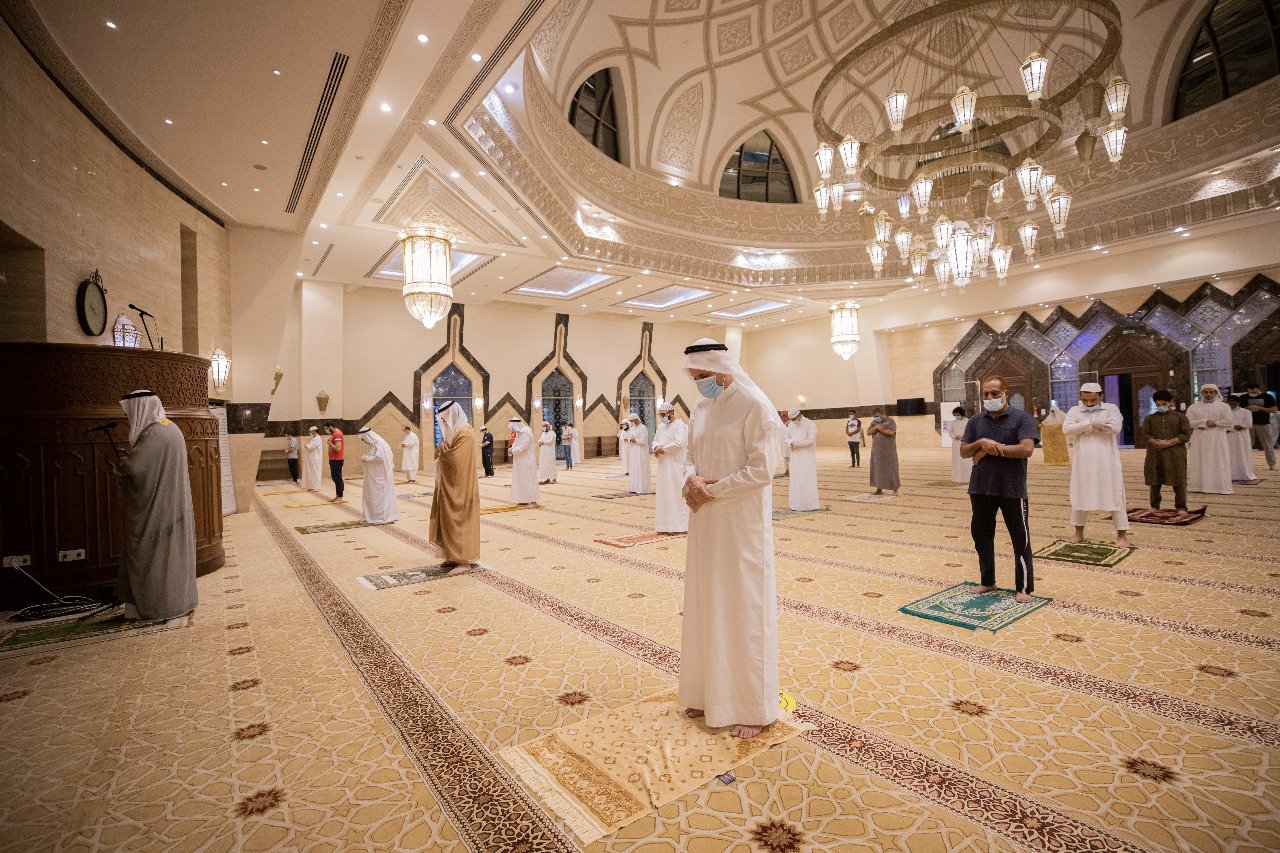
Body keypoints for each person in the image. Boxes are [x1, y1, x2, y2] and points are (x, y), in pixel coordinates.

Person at [679, 339, 786, 740]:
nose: (699, 383)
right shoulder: (701, 407)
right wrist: (691, 478)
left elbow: (763, 470)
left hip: (741, 523)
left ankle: (753, 707)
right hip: (705, 520)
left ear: (722, 369)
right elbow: (690, 455)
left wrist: (713, 489)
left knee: (743, 606)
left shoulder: (755, 406)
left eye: (703, 375)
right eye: (694, 377)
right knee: (706, 601)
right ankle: (706, 693)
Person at [116, 390, 198, 621]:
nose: (129, 419)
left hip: (157, 511)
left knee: (155, 560)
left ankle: (157, 605)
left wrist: (122, 464)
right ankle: (178, 600)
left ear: (140, 408)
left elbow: (135, 468)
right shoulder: (171, 428)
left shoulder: (154, 433)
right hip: (172, 508)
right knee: (172, 559)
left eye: (129, 414)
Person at [960, 377, 1039, 603]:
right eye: (986, 394)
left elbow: (1026, 449)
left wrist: (991, 449)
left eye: (994, 394)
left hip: (1011, 488)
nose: (990, 398)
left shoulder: (1022, 418)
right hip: (980, 488)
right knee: (981, 536)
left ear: (1006, 393)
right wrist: (980, 443)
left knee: (1020, 538)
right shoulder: (975, 421)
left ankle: (1023, 587)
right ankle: (987, 581)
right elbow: (964, 451)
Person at [1062, 382, 1129, 548]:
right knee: (1080, 495)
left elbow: (1115, 428)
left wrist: (1084, 427)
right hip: (1083, 461)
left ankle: (1122, 536)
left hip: (1108, 461)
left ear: (1101, 397)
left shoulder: (1111, 409)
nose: (1089, 404)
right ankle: (1078, 533)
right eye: (1085, 400)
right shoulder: (1074, 411)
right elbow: (1067, 429)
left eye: (1093, 400)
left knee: (1115, 494)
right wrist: (1090, 424)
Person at [429, 402, 481, 574]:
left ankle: (463, 561)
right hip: (450, 486)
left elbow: (456, 459)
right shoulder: (455, 432)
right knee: (448, 519)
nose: (444, 423)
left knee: (459, 519)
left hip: (461, 487)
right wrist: (441, 448)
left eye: (445, 419)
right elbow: (442, 451)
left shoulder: (465, 432)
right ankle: (453, 555)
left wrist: (443, 451)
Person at [1139, 390, 1191, 510]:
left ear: (1170, 403)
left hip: (1175, 454)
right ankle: (1154, 506)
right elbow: (1145, 435)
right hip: (1155, 454)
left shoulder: (1181, 417)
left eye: (1164, 404)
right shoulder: (1149, 418)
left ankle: (1181, 507)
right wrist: (1156, 442)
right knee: (1155, 480)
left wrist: (1169, 443)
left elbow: (1186, 435)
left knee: (1179, 479)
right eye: (1158, 404)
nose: (1161, 406)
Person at [1186, 384, 1233, 494]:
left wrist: (1215, 423)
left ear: (1216, 393)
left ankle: (1219, 487)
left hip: (1217, 438)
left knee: (1218, 460)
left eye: (1211, 392)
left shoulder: (1224, 407)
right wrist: (1204, 422)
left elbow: (1229, 422)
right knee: (1199, 460)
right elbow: (1188, 422)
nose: (1208, 394)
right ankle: (1198, 487)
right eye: (1206, 392)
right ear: (1201, 393)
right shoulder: (1193, 407)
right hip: (1199, 439)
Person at [652, 402, 690, 533]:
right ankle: (664, 526)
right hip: (663, 466)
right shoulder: (660, 427)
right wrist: (656, 447)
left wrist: (662, 449)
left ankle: (679, 526)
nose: (662, 417)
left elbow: (679, 443)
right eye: (660, 415)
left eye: (663, 414)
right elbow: (655, 440)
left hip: (675, 466)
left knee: (676, 495)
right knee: (664, 495)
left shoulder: (681, 425)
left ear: (671, 413)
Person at [356, 427, 398, 525]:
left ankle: (381, 517)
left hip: (380, 477)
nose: (363, 440)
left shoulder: (380, 444)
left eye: (363, 438)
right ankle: (372, 516)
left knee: (379, 496)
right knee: (371, 496)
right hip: (373, 476)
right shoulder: (373, 444)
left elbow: (379, 458)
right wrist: (366, 457)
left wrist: (366, 458)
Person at [785, 408, 819, 511]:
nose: (793, 421)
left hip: (807, 457)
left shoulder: (810, 424)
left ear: (799, 415)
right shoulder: (791, 425)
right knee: (796, 479)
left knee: (807, 479)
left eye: (794, 419)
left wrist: (799, 444)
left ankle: (809, 504)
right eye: (791, 419)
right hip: (795, 457)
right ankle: (796, 504)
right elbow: (786, 437)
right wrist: (791, 442)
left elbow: (811, 439)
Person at [1240, 381, 1277, 471]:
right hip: (1248, 424)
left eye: (1254, 390)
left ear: (1258, 389)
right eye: (1250, 390)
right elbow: (1238, 410)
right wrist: (1248, 409)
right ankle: (1246, 465)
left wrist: (1260, 408)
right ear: (1247, 389)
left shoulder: (1267, 397)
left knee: (1267, 445)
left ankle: (1272, 464)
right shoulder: (1243, 397)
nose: (1252, 392)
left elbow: (1274, 410)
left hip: (1263, 423)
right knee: (1247, 445)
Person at [865, 408, 900, 495]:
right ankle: (879, 489)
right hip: (877, 451)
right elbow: (868, 432)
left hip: (888, 450)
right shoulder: (874, 422)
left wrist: (882, 430)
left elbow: (892, 433)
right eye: (874, 416)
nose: (876, 418)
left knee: (891, 469)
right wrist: (876, 427)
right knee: (877, 470)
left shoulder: (890, 421)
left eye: (877, 416)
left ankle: (895, 490)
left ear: (882, 414)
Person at [1228, 395, 1258, 483]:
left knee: (1243, 454)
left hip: (1242, 437)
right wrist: (1234, 426)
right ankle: (1230, 475)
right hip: (1228, 437)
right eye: (1230, 401)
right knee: (1229, 455)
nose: (1232, 403)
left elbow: (1249, 424)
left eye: (1234, 401)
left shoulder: (1246, 412)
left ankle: (1244, 474)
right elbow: (1223, 424)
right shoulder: (1224, 412)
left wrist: (1238, 426)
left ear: (1238, 402)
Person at [509, 417, 538, 504]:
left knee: (528, 480)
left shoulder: (526, 432)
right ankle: (523, 499)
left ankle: (532, 500)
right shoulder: (519, 433)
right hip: (520, 461)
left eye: (512, 427)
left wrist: (513, 451)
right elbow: (516, 444)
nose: (512, 429)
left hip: (526, 461)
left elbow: (524, 447)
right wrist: (511, 449)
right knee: (520, 480)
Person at [625, 413, 652, 494]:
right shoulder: (632, 428)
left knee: (641, 469)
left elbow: (643, 441)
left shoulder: (643, 428)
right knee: (634, 468)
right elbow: (629, 438)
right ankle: (634, 488)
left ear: (636, 420)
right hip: (633, 451)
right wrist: (630, 440)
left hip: (641, 452)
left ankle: (642, 488)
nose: (631, 422)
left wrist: (635, 441)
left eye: (632, 421)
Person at [948, 406, 972, 484]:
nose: (956, 416)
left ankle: (968, 478)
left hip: (965, 443)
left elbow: (970, 431)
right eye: (955, 415)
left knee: (966, 461)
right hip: (956, 443)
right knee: (956, 460)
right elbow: (950, 431)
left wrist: (965, 438)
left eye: (958, 415)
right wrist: (955, 436)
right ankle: (957, 478)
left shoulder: (968, 421)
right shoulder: (953, 422)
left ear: (962, 414)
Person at [325, 422, 346, 503]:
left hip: (337, 460)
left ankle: (340, 497)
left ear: (330, 427)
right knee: (335, 478)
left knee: (338, 478)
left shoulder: (337, 434)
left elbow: (338, 448)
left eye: (326, 428)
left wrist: (329, 443)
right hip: (333, 459)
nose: (326, 430)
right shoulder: (334, 434)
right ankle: (337, 496)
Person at [302, 426, 323, 490]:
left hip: (315, 459)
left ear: (314, 432)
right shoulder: (314, 438)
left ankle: (315, 487)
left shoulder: (317, 439)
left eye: (310, 432)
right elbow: (308, 445)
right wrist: (307, 445)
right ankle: (311, 486)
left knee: (315, 473)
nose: (310, 433)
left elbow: (309, 447)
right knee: (311, 473)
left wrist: (306, 445)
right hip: (312, 459)